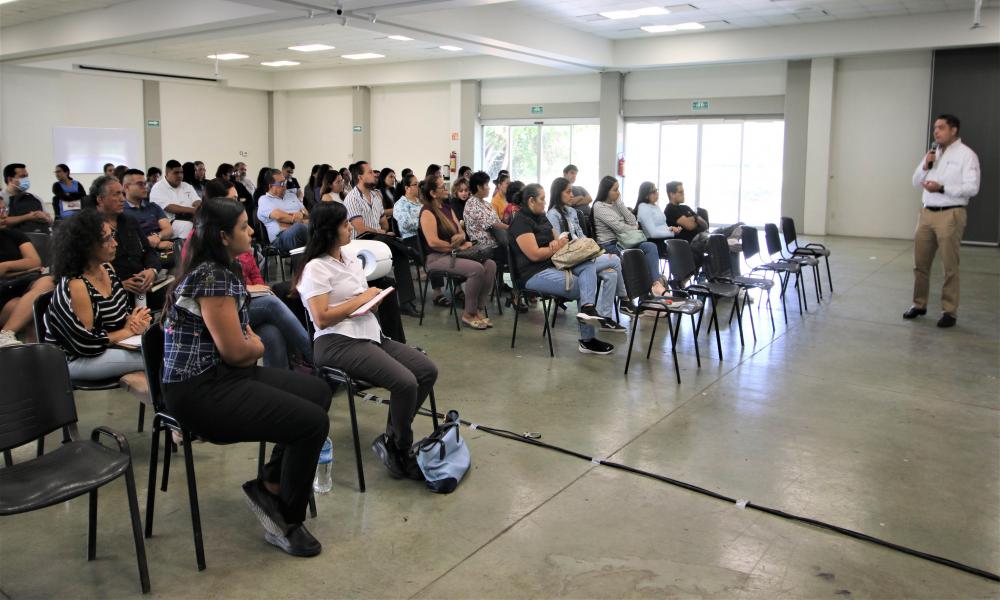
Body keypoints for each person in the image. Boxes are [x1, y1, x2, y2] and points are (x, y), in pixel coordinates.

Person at [162, 196, 330, 557]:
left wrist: (248, 345)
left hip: (223, 376)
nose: (251, 230)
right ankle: (286, 519)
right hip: (199, 391)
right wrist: (255, 347)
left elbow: (236, 349)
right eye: (243, 226)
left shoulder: (222, 269)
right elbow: (238, 351)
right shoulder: (213, 277)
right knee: (312, 423)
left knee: (317, 392)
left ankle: (270, 482)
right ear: (223, 236)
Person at [295, 201, 436, 480]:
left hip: (369, 334)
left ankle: (393, 436)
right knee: (405, 382)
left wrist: (371, 300)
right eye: (345, 224)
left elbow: (357, 300)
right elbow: (321, 318)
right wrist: (360, 300)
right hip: (336, 342)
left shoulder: (349, 258)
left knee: (425, 370)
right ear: (329, 231)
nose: (350, 228)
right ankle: (400, 447)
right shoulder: (315, 268)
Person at [204, 179, 313, 369]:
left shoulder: (239, 240)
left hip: (245, 300)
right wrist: (249, 288)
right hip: (227, 307)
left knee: (271, 332)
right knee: (271, 304)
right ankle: (316, 357)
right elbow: (218, 292)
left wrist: (259, 288)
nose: (252, 231)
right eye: (233, 199)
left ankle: (282, 381)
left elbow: (255, 272)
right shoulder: (206, 249)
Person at [509, 184, 621, 353]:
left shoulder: (542, 216)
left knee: (588, 263)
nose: (545, 202)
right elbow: (534, 254)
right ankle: (587, 339)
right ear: (531, 201)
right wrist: (554, 246)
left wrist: (556, 244)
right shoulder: (520, 221)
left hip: (553, 264)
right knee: (581, 285)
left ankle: (588, 309)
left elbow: (558, 239)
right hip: (532, 274)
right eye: (542, 199)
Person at [43, 209, 150, 378]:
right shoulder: (76, 284)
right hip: (77, 358)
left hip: (106, 347)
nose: (115, 243)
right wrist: (128, 331)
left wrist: (135, 321)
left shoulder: (107, 267)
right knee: (155, 358)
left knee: (158, 350)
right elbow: (86, 344)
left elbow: (120, 314)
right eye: (107, 239)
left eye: (112, 235)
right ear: (86, 246)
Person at [905, 114, 981, 328]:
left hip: (951, 214)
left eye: (941, 128)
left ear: (954, 130)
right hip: (926, 213)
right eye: (935, 128)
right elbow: (914, 180)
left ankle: (949, 311)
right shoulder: (932, 153)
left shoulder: (967, 156)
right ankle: (918, 304)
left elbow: (972, 188)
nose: (936, 131)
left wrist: (943, 188)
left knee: (949, 265)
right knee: (920, 264)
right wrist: (926, 166)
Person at [547, 178, 631, 320]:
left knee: (611, 274)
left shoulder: (572, 211)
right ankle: (625, 300)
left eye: (572, 192)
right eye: (568, 192)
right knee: (615, 259)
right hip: (569, 260)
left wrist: (591, 251)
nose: (572, 195)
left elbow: (581, 235)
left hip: (582, 256)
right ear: (558, 193)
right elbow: (558, 244)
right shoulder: (552, 215)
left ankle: (605, 318)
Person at [419, 175, 496, 329]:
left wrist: (461, 237)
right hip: (436, 257)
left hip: (453, 254)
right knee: (476, 269)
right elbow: (432, 242)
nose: (446, 189)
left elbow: (461, 231)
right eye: (442, 187)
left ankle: (477, 310)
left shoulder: (447, 208)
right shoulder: (427, 211)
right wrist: (456, 246)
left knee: (490, 265)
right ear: (433, 193)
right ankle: (468, 313)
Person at [344, 161, 418, 315]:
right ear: (360, 177)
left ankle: (406, 302)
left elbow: (384, 224)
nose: (374, 175)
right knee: (387, 240)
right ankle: (410, 250)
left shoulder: (375, 197)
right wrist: (381, 232)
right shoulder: (352, 198)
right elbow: (360, 228)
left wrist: (382, 232)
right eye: (370, 172)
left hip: (377, 241)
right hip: (360, 243)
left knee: (400, 255)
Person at [91, 175, 163, 309]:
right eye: (116, 194)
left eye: (122, 194)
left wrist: (151, 271)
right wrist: (119, 284)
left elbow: (148, 251)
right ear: (100, 199)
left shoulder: (130, 221)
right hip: (109, 295)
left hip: (141, 287)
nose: (122, 199)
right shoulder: (89, 226)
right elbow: (87, 270)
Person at [0, 199, 54, 346]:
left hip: (26, 285)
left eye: (5, 210)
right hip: (4, 294)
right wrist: (20, 268)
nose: (4, 215)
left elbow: (34, 261)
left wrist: (5, 267)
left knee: (49, 281)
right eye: (0, 211)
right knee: (34, 311)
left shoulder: (14, 235)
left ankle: (5, 335)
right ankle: (38, 361)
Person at [592, 176, 661, 282]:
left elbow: (632, 220)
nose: (618, 193)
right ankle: (643, 289)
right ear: (606, 191)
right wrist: (633, 228)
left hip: (624, 241)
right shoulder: (598, 206)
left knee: (650, 246)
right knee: (634, 258)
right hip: (609, 245)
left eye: (618, 189)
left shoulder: (615, 204)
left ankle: (656, 283)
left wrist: (619, 204)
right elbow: (619, 227)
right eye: (615, 190)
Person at [257, 171, 309, 253]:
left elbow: (306, 213)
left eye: (285, 182)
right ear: (271, 186)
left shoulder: (291, 196)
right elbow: (278, 216)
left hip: (301, 229)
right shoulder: (264, 200)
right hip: (280, 239)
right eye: (281, 184)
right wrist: (298, 219)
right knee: (300, 228)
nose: (285, 186)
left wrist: (301, 215)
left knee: (322, 224)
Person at [122, 169, 173, 251]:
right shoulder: (120, 211)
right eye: (140, 184)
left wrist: (157, 236)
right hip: (138, 252)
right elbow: (126, 239)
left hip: (163, 246)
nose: (145, 187)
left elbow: (168, 230)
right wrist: (154, 244)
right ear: (126, 187)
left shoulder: (153, 206)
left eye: (145, 184)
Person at [150, 159, 201, 239]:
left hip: (190, 217)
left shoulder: (186, 186)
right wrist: (193, 210)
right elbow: (169, 207)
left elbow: (197, 200)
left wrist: (199, 207)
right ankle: (185, 250)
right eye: (176, 173)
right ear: (167, 173)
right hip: (169, 222)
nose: (180, 175)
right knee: (188, 226)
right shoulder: (158, 187)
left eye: (181, 172)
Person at [2, 163, 52, 234]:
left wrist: (45, 218)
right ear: (10, 179)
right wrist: (28, 217)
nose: (26, 179)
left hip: (40, 239)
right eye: (22, 176)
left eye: (27, 176)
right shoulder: (2, 198)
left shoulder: (35, 198)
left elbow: (50, 222)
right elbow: (2, 222)